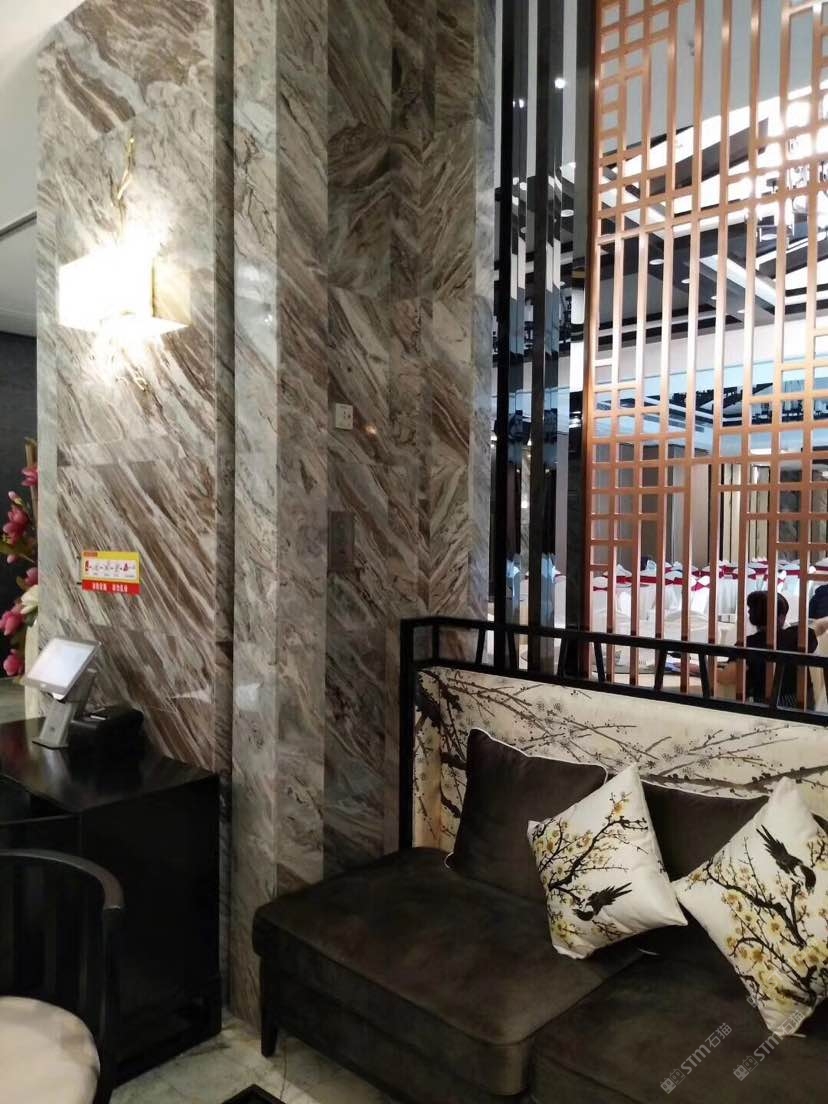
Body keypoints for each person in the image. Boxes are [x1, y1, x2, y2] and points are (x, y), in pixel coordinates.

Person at [719, 591, 816, 706]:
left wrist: (708, 670)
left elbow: (727, 677)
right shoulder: (801, 635)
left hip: (768, 709)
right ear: (781, 617)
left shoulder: (748, 644)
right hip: (805, 707)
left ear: (752, 615)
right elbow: (818, 627)